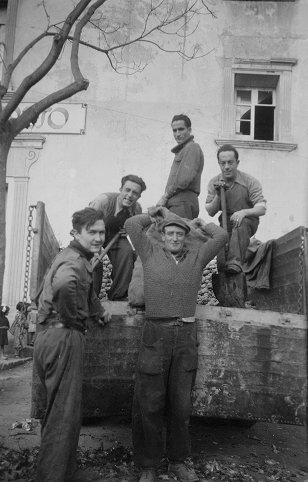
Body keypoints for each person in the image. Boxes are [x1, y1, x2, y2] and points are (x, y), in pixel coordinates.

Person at [125, 208, 228, 482]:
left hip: (185, 334)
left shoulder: (197, 257)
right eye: (169, 233)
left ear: (185, 237)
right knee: (150, 402)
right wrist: (153, 213)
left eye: (179, 234)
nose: (173, 238)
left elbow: (221, 235)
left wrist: (201, 223)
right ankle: (148, 466)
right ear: (162, 235)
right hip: (155, 333)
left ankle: (179, 462)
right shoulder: (149, 253)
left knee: (181, 405)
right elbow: (131, 224)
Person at [33, 207, 111, 482]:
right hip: (63, 335)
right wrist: (71, 319)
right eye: (92, 232)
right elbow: (67, 284)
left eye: (102, 232)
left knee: (60, 409)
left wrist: (97, 310)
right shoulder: (75, 261)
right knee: (63, 413)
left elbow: (82, 290)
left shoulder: (70, 256)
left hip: (48, 336)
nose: (99, 237)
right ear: (76, 233)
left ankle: (62, 471)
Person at [205, 144, 267, 274]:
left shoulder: (249, 181)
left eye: (230, 162)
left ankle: (235, 264)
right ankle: (225, 273)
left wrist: (244, 212)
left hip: (247, 220)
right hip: (225, 222)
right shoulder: (214, 182)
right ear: (219, 164)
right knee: (221, 250)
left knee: (240, 225)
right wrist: (218, 194)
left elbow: (262, 208)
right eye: (223, 163)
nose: (226, 167)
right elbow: (210, 211)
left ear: (237, 163)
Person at [89, 174, 147, 300]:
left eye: (135, 193)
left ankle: (118, 296)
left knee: (126, 252)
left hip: (114, 236)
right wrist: (93, 250)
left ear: (139, 196)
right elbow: (86, 225)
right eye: (127, 190)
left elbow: (135, 229)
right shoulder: (102, 201)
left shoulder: (136, 209)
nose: (130, 195)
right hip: (93, 234)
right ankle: (90, 300)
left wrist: (128, 230)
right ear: (120, 189)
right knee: (94, 262)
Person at [156, 114, 204, 219]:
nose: (177, 134)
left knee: (177, 233)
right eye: (174, 130)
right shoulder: (183, 150)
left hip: (182, 203)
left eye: (181, 129)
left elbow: (183, 180)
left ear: (189, 129)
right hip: (177, 203)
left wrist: (165, 197)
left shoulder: (192, 148)